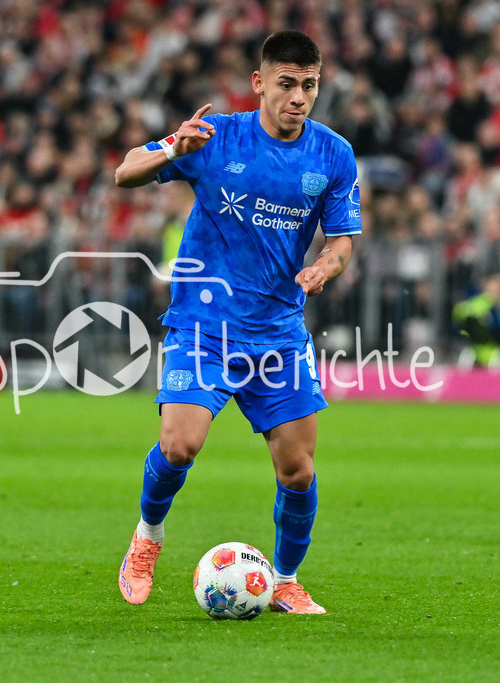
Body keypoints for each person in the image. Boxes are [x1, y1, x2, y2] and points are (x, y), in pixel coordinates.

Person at [114, 30, 362, 615]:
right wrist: (172, 149)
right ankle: (147, 537)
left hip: (278, 333)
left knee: (298, 470)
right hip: (204, 325)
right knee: (179, 446)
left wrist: (326, 266)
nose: (298, 96)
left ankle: (285, 579)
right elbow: (125, 172)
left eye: (309, 85)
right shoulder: (216, 135)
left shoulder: (333, 154)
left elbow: (345, 239)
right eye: (286, 84)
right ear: (260, 84)